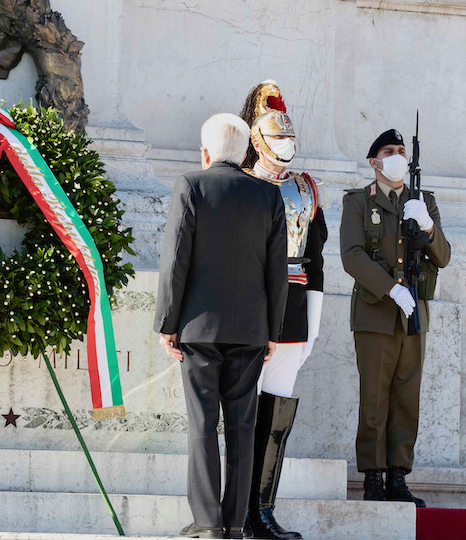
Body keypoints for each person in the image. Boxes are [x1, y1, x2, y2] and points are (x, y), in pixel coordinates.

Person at [154, 113, 288, 539]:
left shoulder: (191, 185)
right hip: (251, 330)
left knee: (202, 425)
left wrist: (166, 323)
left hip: (198, 329)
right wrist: (273, 330)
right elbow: (277, 271)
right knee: (242, 429)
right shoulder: (268, 196)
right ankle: (233, 523)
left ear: (206, 152)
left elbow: (176, 259)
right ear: (247, 152)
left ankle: (208, 523)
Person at [340, 128, 451, 507]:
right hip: (375, 314)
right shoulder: (358, 202)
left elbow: (444, 257)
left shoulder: (423, 202)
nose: (397, 156)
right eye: (389, 151)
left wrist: (428, 226)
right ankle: (373, 476)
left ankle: (398, 477)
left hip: (413, 317)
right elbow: (352, 256)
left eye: (402, 151)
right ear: (374, 162)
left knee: (407, 398)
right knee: (374, 397)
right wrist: (391, 288)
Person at [238, 81, 328, 539]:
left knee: (276, 417)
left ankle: (263, 510)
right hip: (247, 309)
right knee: (242, 414)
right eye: (277, 135)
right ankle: (234, 511)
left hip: (291, 313)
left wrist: (313, 324)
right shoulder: (238, 184)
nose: (286, 144)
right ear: (256, 138)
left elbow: (314, 262)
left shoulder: (305, 191)